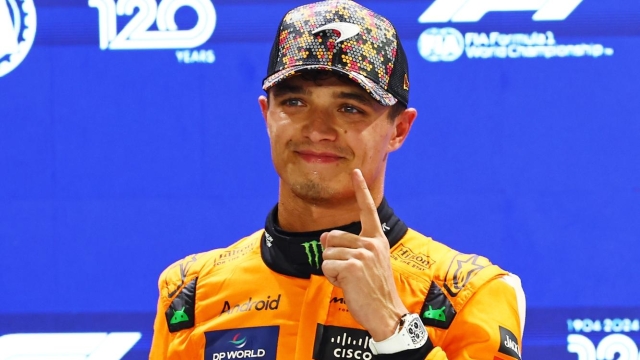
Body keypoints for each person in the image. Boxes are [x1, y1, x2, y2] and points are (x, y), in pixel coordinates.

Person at [149, 0, 526, 359]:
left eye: (349, 108)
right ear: (267, 114)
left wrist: (396, 332)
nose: (317, 130)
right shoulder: (189, 294)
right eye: (295, 102)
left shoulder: (465, 293)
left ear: (399, 130)